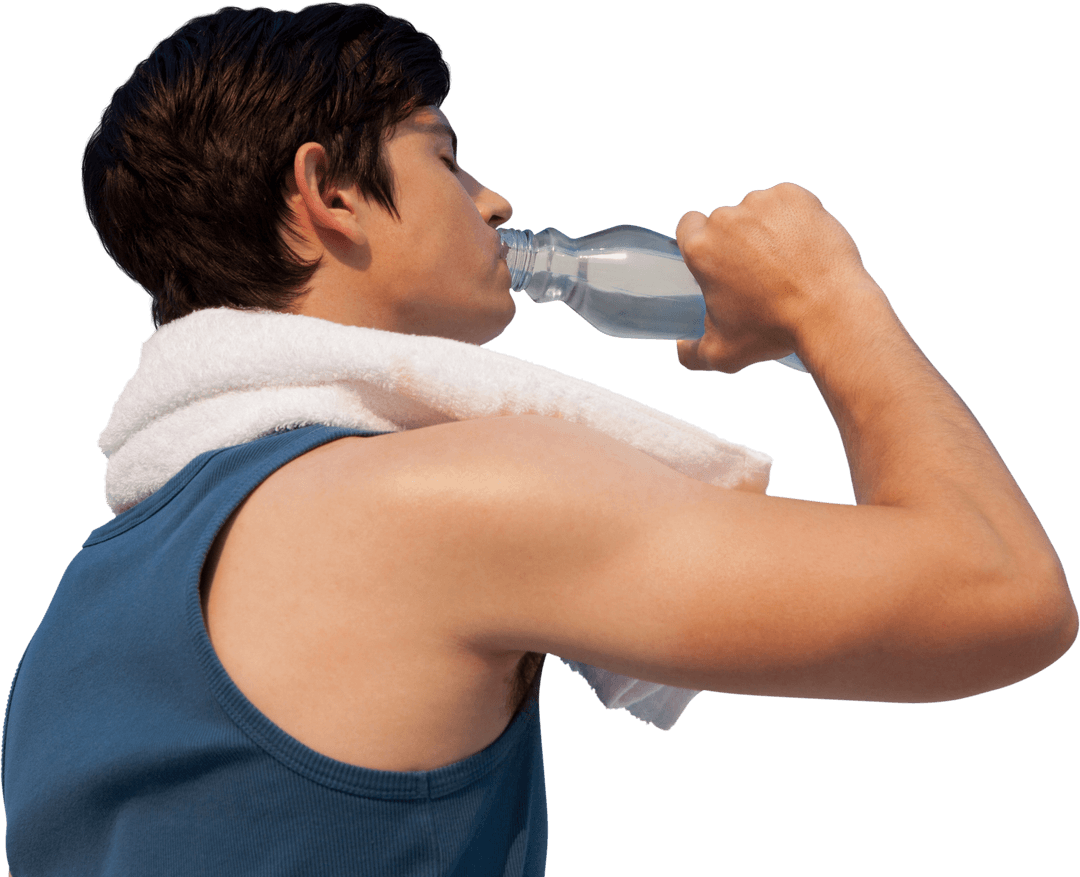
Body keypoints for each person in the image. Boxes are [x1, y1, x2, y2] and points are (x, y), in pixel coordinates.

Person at [4, 3, 1076, 876]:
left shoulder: (84, 607)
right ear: (329, 193)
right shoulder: (428, 499)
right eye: (448, 158)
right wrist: (833, 299)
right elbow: (1000, 594)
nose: (494, 198)